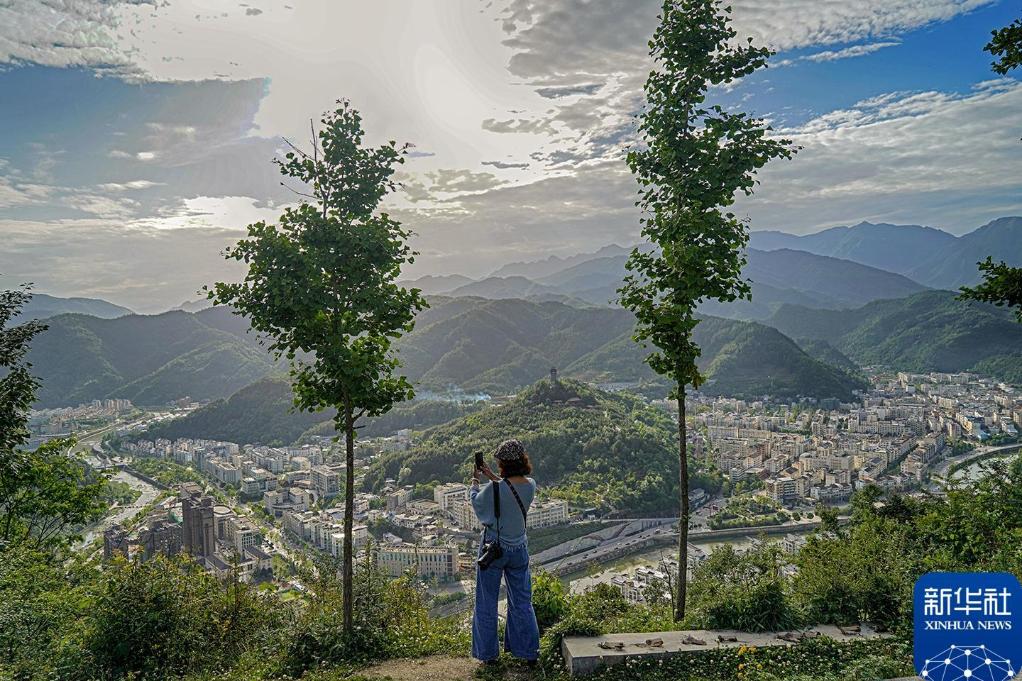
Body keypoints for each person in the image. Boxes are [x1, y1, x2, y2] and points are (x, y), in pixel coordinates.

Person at [470, 439, 540, 664]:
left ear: (502, 464)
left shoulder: (494, 489)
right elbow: (510, 490)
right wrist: (491, 476)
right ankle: (529, 652)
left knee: (487, 602)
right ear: (522, 460)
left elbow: (477, 504)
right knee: (522, 602)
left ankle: (488, 656)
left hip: (494, 550)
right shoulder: (530, 485)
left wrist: (475, 481)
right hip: (519, 549)